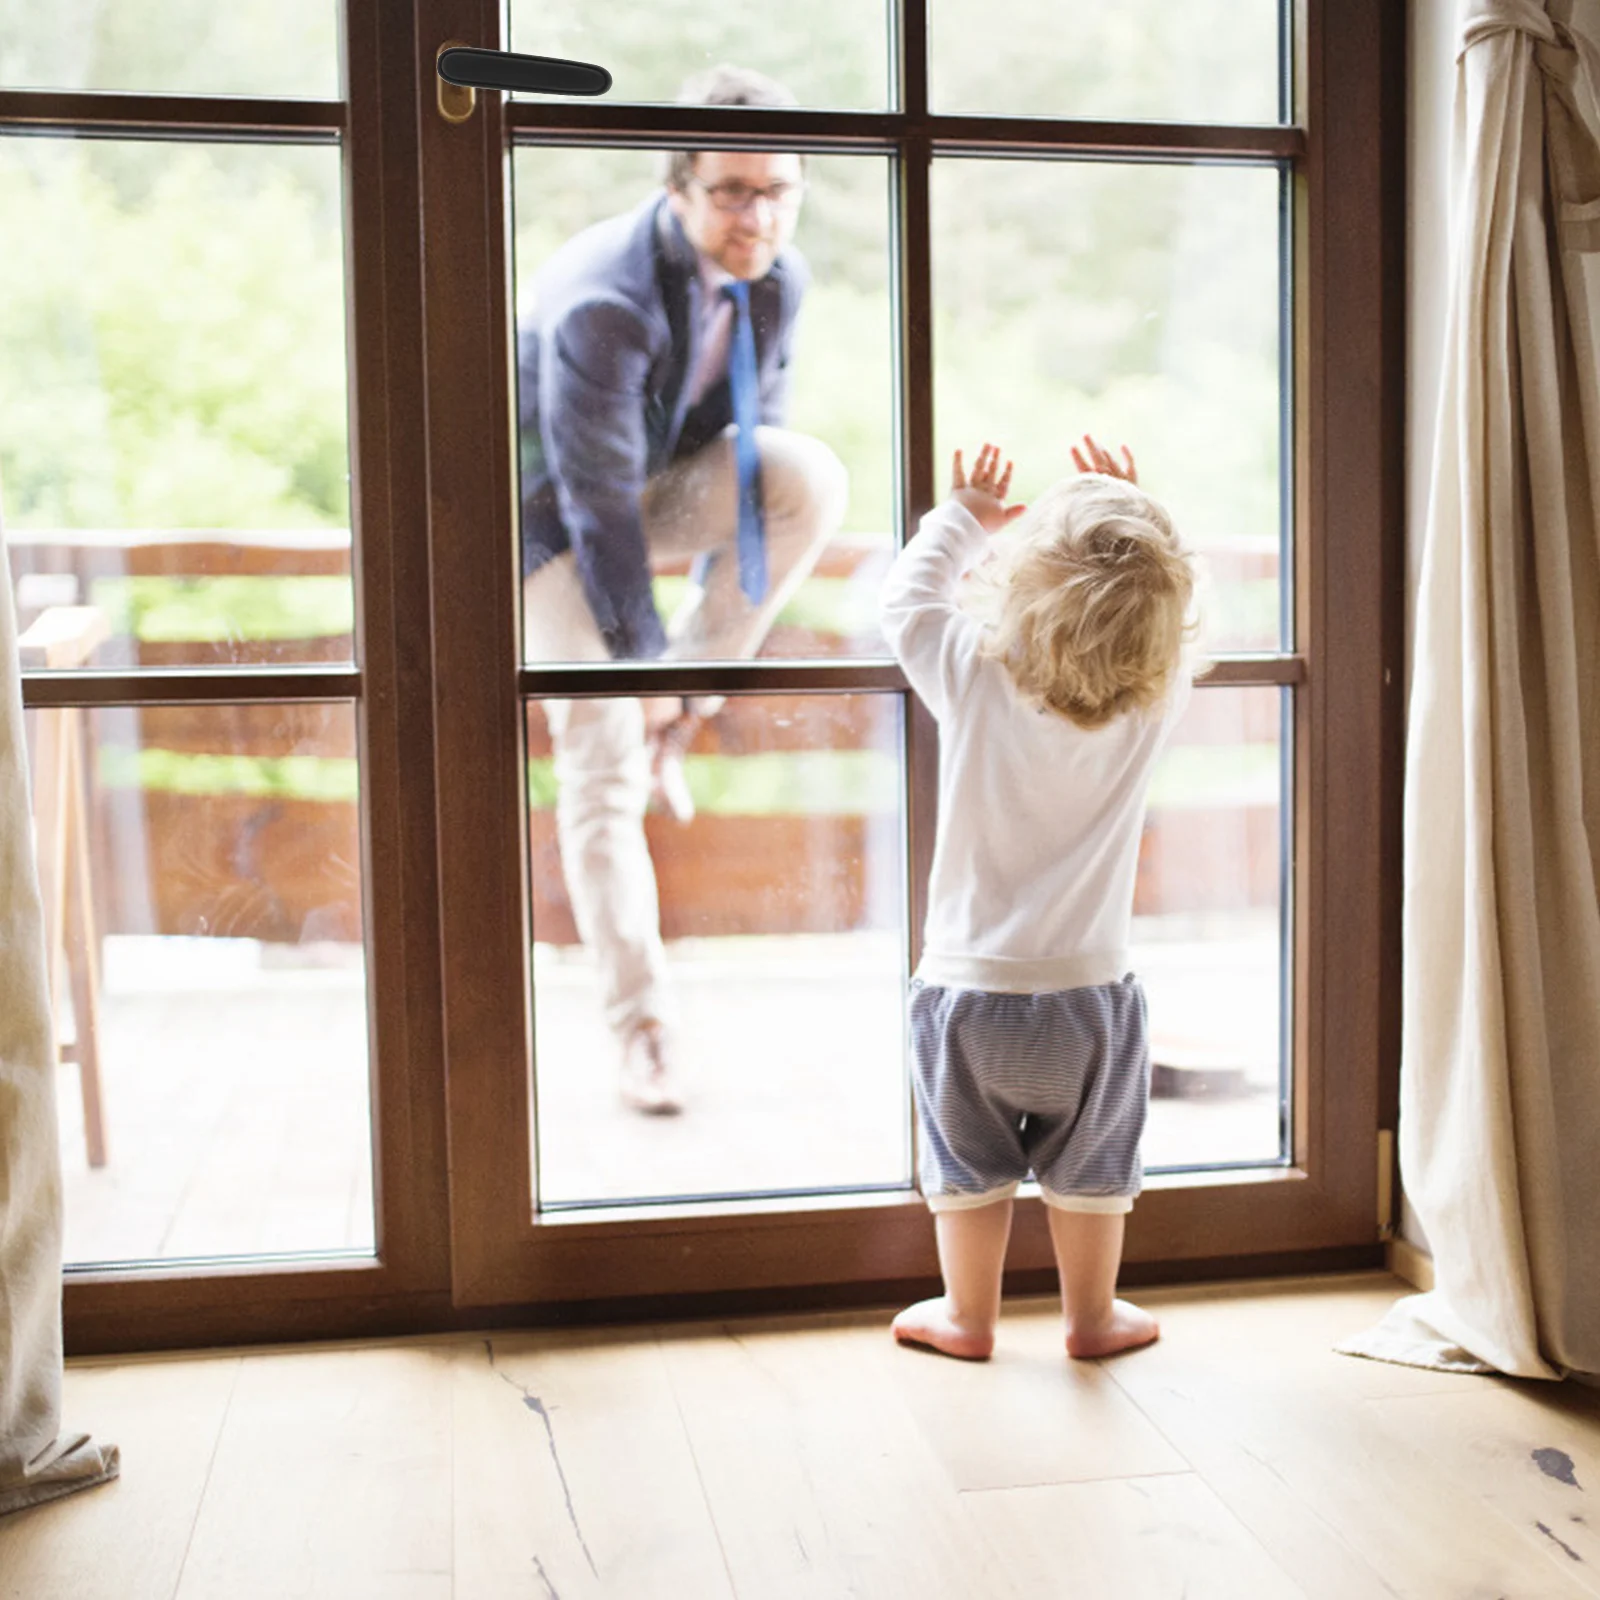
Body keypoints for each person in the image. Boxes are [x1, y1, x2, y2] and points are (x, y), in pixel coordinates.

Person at [517, 65, 848, 1116]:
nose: (759, 214)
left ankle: (684, 709)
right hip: (544, 524)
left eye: (778, 190)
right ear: (678, 191)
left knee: (809, 476)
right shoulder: (606, 300)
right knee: (602, 760)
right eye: (733, 192)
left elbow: (756, 461)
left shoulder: (779, 279)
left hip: (649, 487)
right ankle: (643, 1028)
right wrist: (640, 665)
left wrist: (689, 673)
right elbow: (597, 504)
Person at [879, 435, 1196, 1361]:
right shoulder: (1155, 697)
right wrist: (1130, 517)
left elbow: (907, 602)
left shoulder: (976, 675)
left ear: (1016, 591)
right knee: (1094, 1169)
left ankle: (968, 1318)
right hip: (1091, 1002)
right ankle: (1091, 1318)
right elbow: (1164, 615)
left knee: (966, 1169)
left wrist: (966, 515)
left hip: (968, 996)